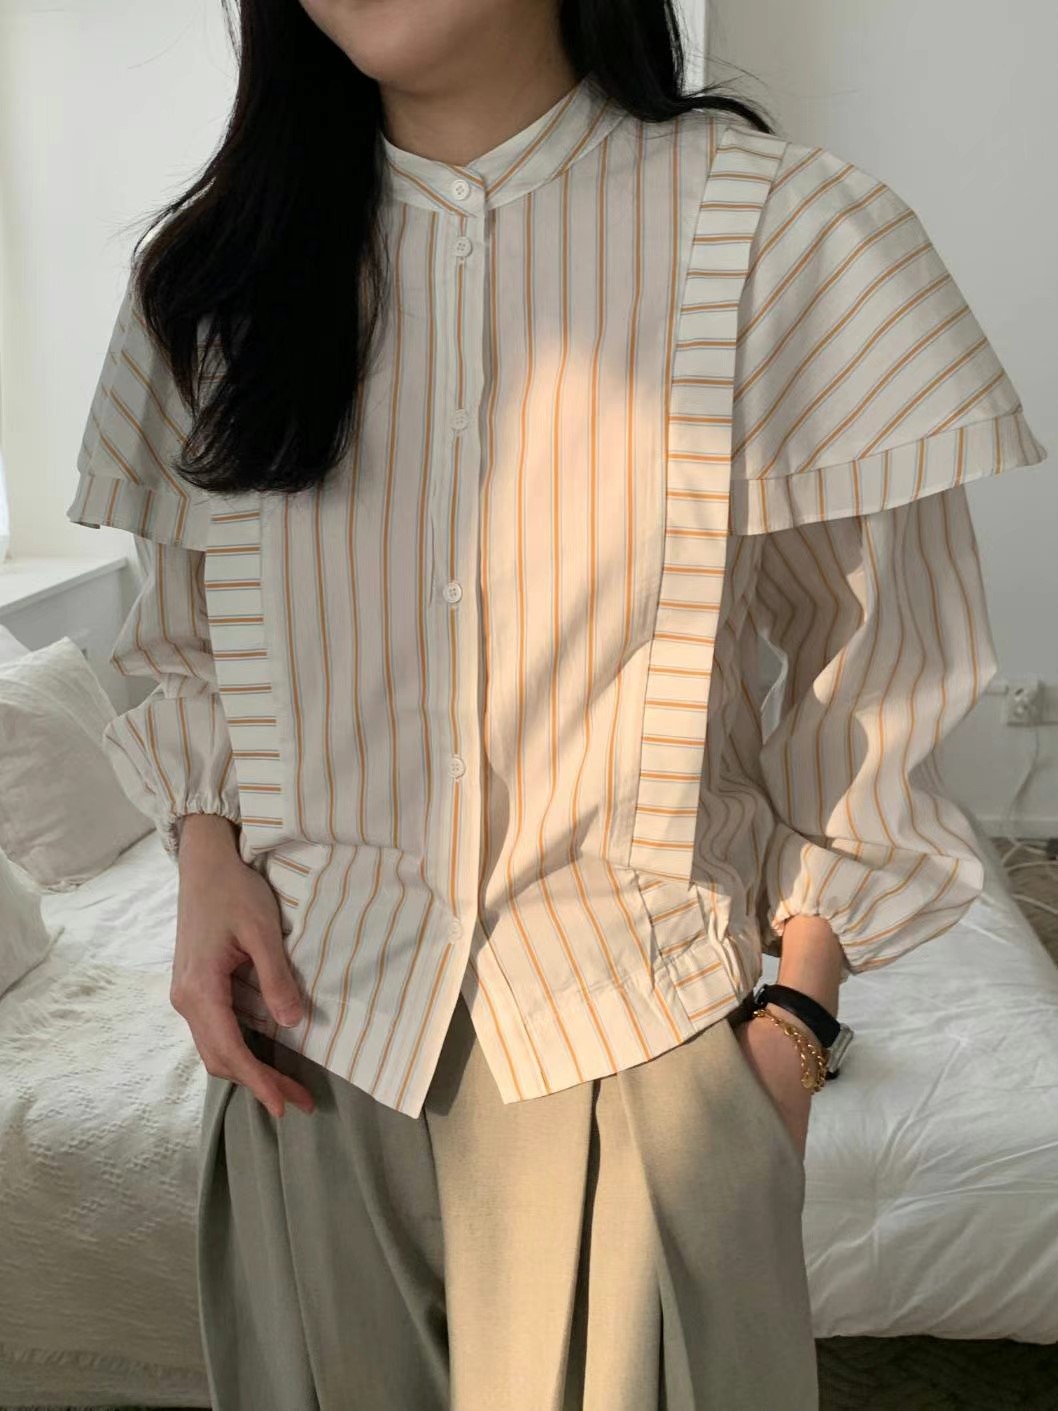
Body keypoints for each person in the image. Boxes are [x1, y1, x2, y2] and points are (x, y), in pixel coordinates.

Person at [66, 1, 1047, 1407]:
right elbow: (187, 645)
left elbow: (873, 684)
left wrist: (793, 1029)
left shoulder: (793, 237)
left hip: (643, 1053)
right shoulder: (216, 279)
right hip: (306, 1056)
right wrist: (203, 860)